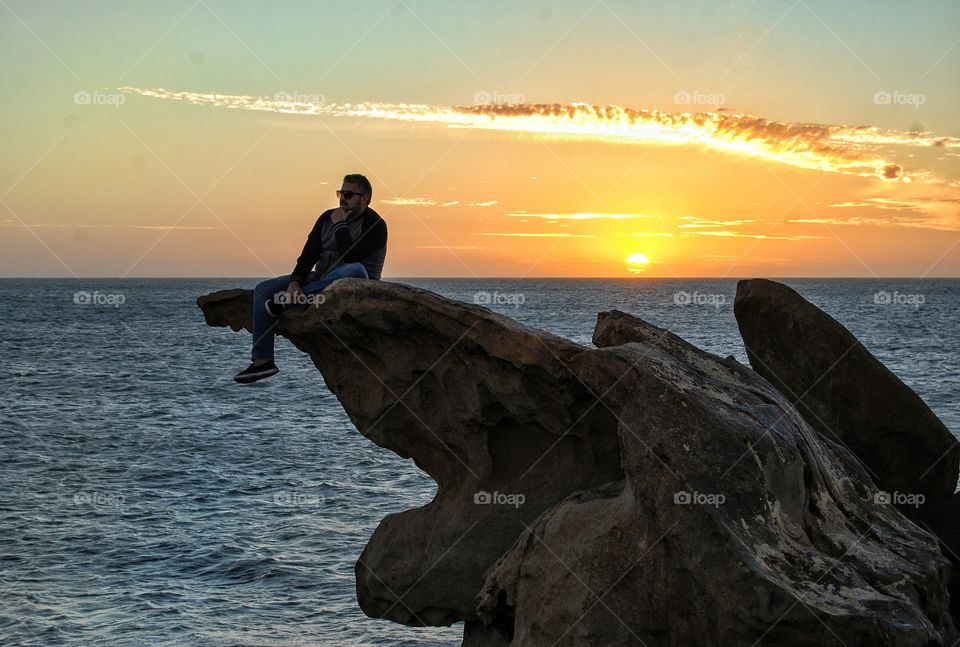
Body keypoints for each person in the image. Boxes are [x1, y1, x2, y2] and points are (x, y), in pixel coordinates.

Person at [234, 173, 387, 383]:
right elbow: (308, 255)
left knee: (355, 269)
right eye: (340, 193)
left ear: (365, 198)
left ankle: (287, 304)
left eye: (349, 194)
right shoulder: (326, 218)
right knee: (263, 289)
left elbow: (351, 255)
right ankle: (263, 361)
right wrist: (295, 283)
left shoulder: (376, 225)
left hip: (358, 282)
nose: (343, 199)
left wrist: (340, 225)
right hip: (321, 278)